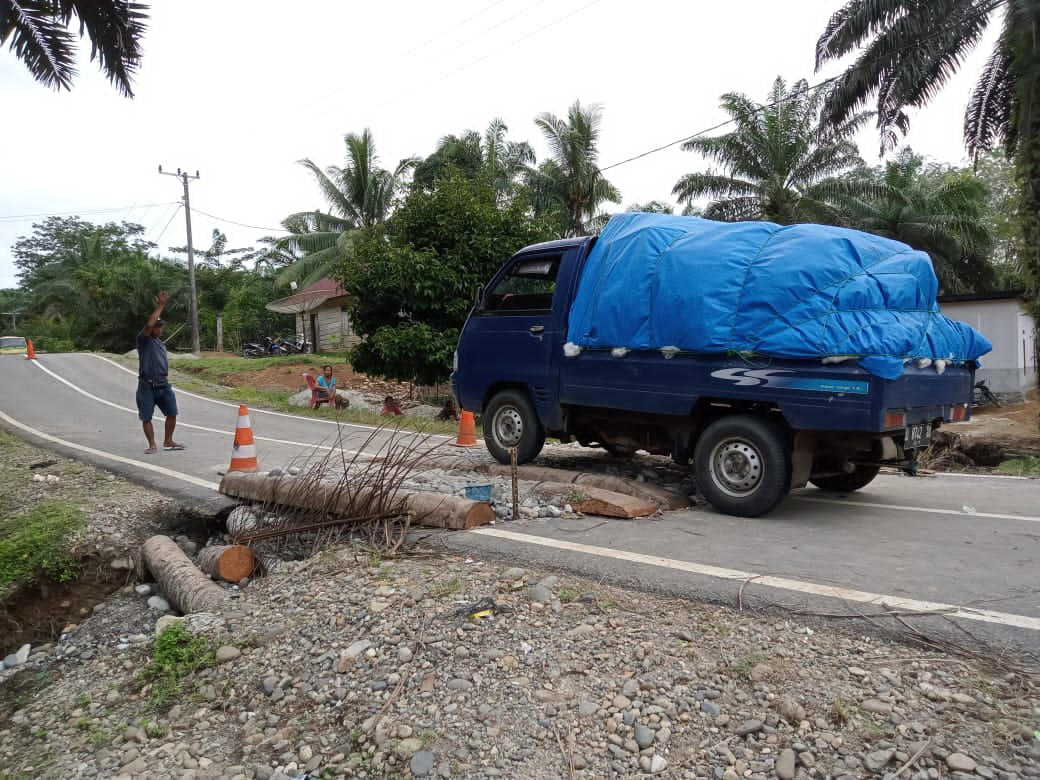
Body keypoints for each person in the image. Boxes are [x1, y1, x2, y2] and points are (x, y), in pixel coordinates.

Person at [137, 290, 184, 454]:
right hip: (147, 384)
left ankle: (168, 441)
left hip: (163, 384)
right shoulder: (144, 341)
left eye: (161, 326)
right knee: (146, 416)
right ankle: (152, 444)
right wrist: (161, 305)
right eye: (158, 326)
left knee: (172, 412)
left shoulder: (160, 344)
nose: (160, 329)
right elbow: (149, 325)